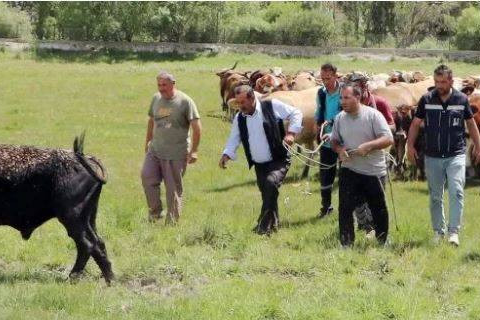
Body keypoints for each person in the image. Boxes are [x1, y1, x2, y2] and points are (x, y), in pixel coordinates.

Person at [406, 64, 480, 246]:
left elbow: (471, 124)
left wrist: (478, 147)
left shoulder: (461, 99)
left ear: (450, 80)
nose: (439, 85)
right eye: (437, 81)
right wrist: (410, 146)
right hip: (432, 156)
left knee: (456, 191)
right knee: (435, 196)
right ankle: (438, 232)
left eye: (443, 82)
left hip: (455, 154)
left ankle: (453, 232)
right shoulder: (426, 99)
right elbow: (416, 124)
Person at [220, 85, 302, 235]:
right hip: (259, 164)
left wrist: (291, 132)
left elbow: (296, 113)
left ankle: (262, 227)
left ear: (252, 98)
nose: (240, 106)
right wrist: (226, 154)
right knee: (268, 193)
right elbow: (234, 138)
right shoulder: (239, 118)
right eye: (238, 103)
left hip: (279, 159)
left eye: (243, 102)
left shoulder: (271, 106)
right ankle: (274, 225)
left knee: (271, 185)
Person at [329, 84, 395, 247]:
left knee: (378, 208)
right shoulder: (339, 118)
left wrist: (369, 146)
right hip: (349, 169)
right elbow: (334, 141)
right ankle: (346, 243)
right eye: (341, 98)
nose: (342, 101)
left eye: (346, 98)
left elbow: (388, 139)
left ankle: (382, 241)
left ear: (357, 98)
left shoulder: (373, 116)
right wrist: (340, 149)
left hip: (373, 171)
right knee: (345, 208)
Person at [141, 71, 201, 224]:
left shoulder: (185, 101)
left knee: (172, 188)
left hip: (175, 153)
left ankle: (172, 222)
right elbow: (151, 121)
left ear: (173, 84)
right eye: (159, 85)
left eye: (164, 85)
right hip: (155, 150)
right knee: (147, 177)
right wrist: (147, 142)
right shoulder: (156, 98)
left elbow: (196, 127)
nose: (161, 88)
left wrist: (194, 151)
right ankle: (155, 214)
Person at [314, 63, 342, 218]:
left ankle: (347, 208)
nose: (325, 81)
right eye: (323, 78)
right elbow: (319, 111)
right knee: (325, 175)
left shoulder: (345, 91)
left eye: (328, 78)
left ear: (335, 75)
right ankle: (326, 207)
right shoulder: (321, 93)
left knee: (346, 175)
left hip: (344, 140)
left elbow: (349, 111)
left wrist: (333, 121)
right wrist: (319, 126)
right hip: (326, 141)